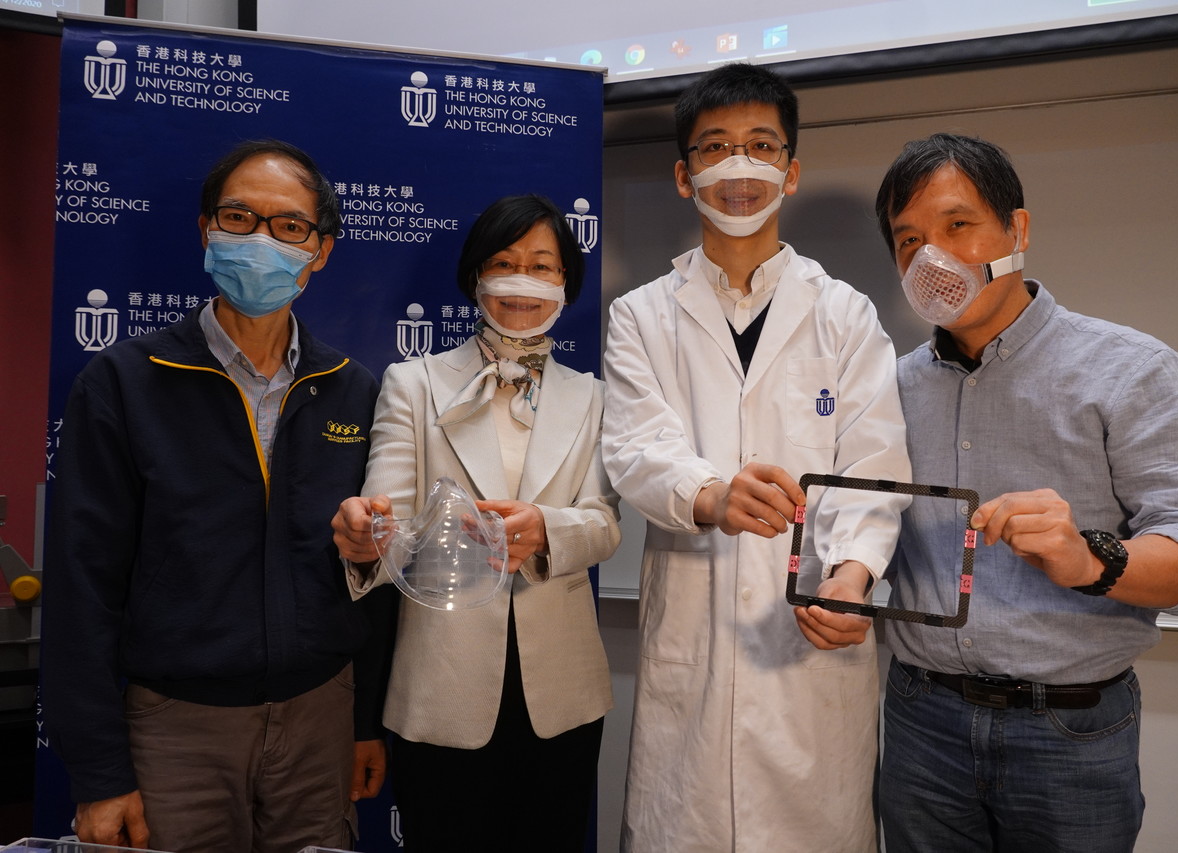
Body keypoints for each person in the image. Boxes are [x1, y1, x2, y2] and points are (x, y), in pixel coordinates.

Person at [863, 132, 1178, 851]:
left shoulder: (1132, 370)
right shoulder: (888, 386)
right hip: (920, 720)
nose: (932, 258)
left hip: (1071, 729)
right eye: (909, 240)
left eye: (957, 225)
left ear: (1018, 230)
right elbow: (865, 522)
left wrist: (1093, 559)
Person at [601, 63, 911, 852]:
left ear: (790, 170)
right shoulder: (641, 315)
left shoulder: (844, 314)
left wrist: (853, 576)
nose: (739, 167)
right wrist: (710, 494)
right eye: (715, 147)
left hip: (810, 640)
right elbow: (636, 448)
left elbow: (875, 468)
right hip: (694, 645)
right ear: (684, 176)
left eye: (761, 146)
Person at [42, 139, 382, 852]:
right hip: (175, 727)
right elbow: (81, 586)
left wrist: (365, 721)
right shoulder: (125, 382)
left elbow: (372, 578)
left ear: (320, 251)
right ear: (206, 231)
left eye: (289, 225)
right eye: (238, 217)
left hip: (321, 718)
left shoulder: (352, 389)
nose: (260, 240)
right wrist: (100, 771)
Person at [331, 194, 621, 852]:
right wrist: (368, 536)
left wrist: (546, 529)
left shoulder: (595, 396)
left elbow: (605, 524)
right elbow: (386, 516)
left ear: (566, 282)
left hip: (563, 690)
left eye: (542, 266)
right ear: (475, 278)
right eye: (504, 263)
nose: (523, 281)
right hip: (442, 682)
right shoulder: (413, 383)